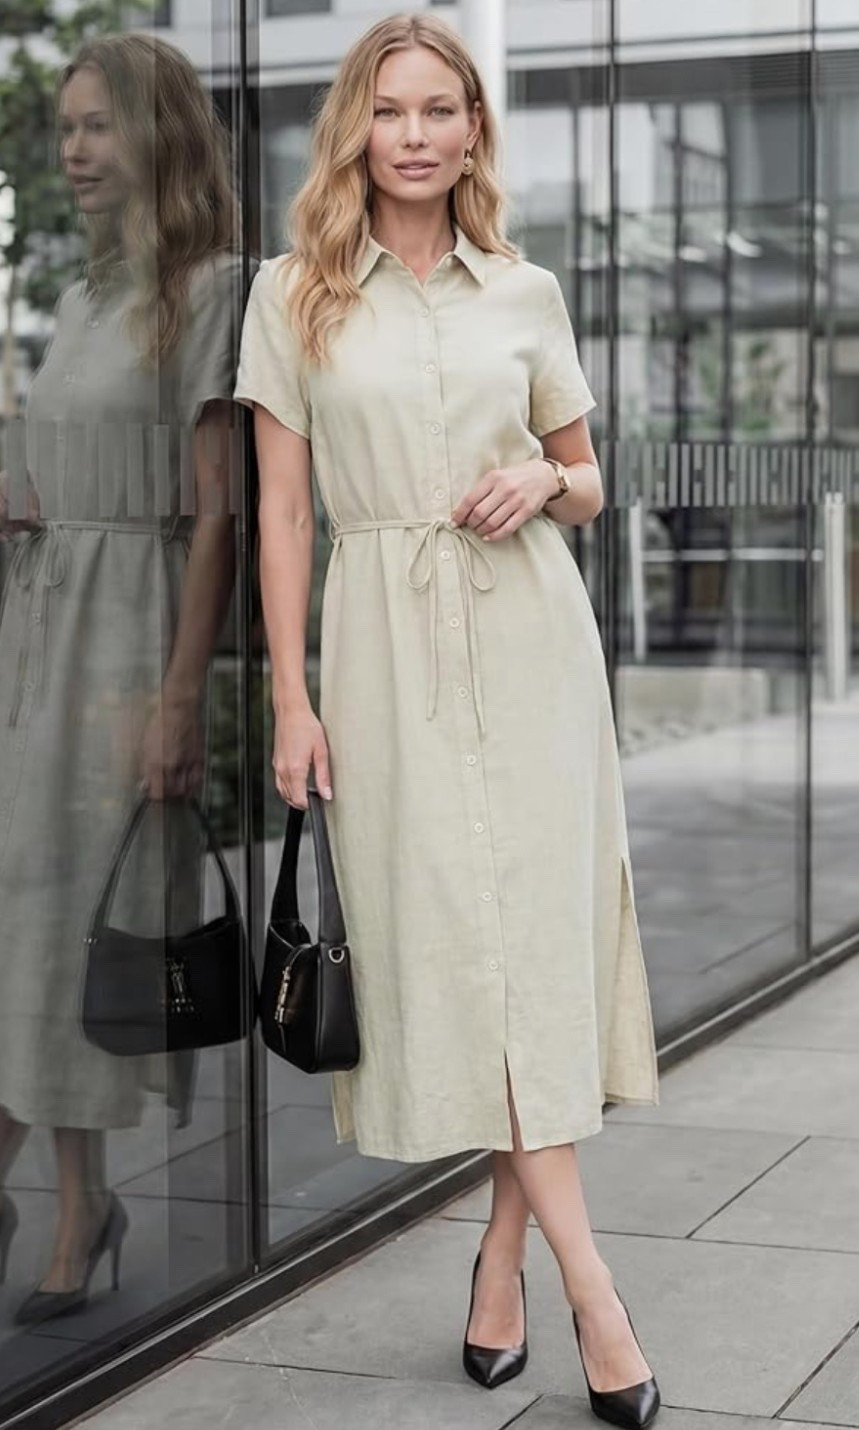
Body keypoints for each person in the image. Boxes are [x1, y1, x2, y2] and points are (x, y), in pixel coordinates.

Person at [234, 11, 661, 1427]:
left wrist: (546, 485)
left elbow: (588, 477)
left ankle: (535, 1273)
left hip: (534, 645)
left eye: (441, 109)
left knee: (526, 964)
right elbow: (283, 512)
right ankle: (580, 1282)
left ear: (474, 128)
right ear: (356, 126)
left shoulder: (524, 292)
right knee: (461, 962)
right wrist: (290, 693)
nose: (415, 134)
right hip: (384, 658)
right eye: (390, 109)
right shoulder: (295, 294)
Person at [0, 33, 240, 1326]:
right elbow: (62, 465)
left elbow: (215, 517)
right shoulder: (87, 292)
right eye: (66, 130)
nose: (75, 153)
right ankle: (79, 1201)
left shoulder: (209, 290)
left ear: (155, 133)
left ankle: (70, 1207)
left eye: (97, 127)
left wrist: (178, 696)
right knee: (30, 921)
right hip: (36, 630)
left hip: (123, 641)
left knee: (72, 925)